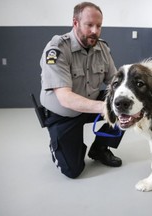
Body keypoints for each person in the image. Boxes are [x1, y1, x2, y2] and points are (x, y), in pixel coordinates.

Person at [40, 2, 124, 178]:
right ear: (76, 23)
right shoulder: (57, 49)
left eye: (99, 26)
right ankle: (56, 144)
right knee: (73, 170)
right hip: (64, 114)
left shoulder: (102, 48)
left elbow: (115, 82)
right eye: (90, 25)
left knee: (127, 107)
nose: (95, 31)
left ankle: (100, 149)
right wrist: (106, 108)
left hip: (90, 102)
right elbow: (65, 98)